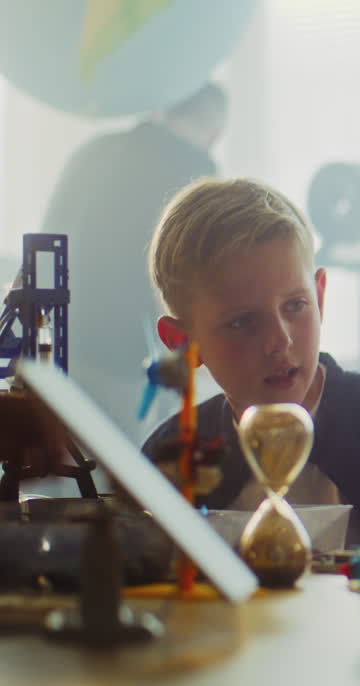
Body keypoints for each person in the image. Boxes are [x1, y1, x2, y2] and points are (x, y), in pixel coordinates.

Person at [140, 178, 360, 550]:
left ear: (320, 297)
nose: (280, 341)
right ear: (182, 343)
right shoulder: (172, 456)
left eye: (295, 306)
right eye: (242, 322)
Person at [40, 83, 228, 442]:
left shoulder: (95, 150)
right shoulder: (192, 168)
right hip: (129, 352)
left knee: (74, 471)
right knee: (133, 473)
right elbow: (188, 270)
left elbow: (48, 239)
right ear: (216, 131)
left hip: (61, 339)